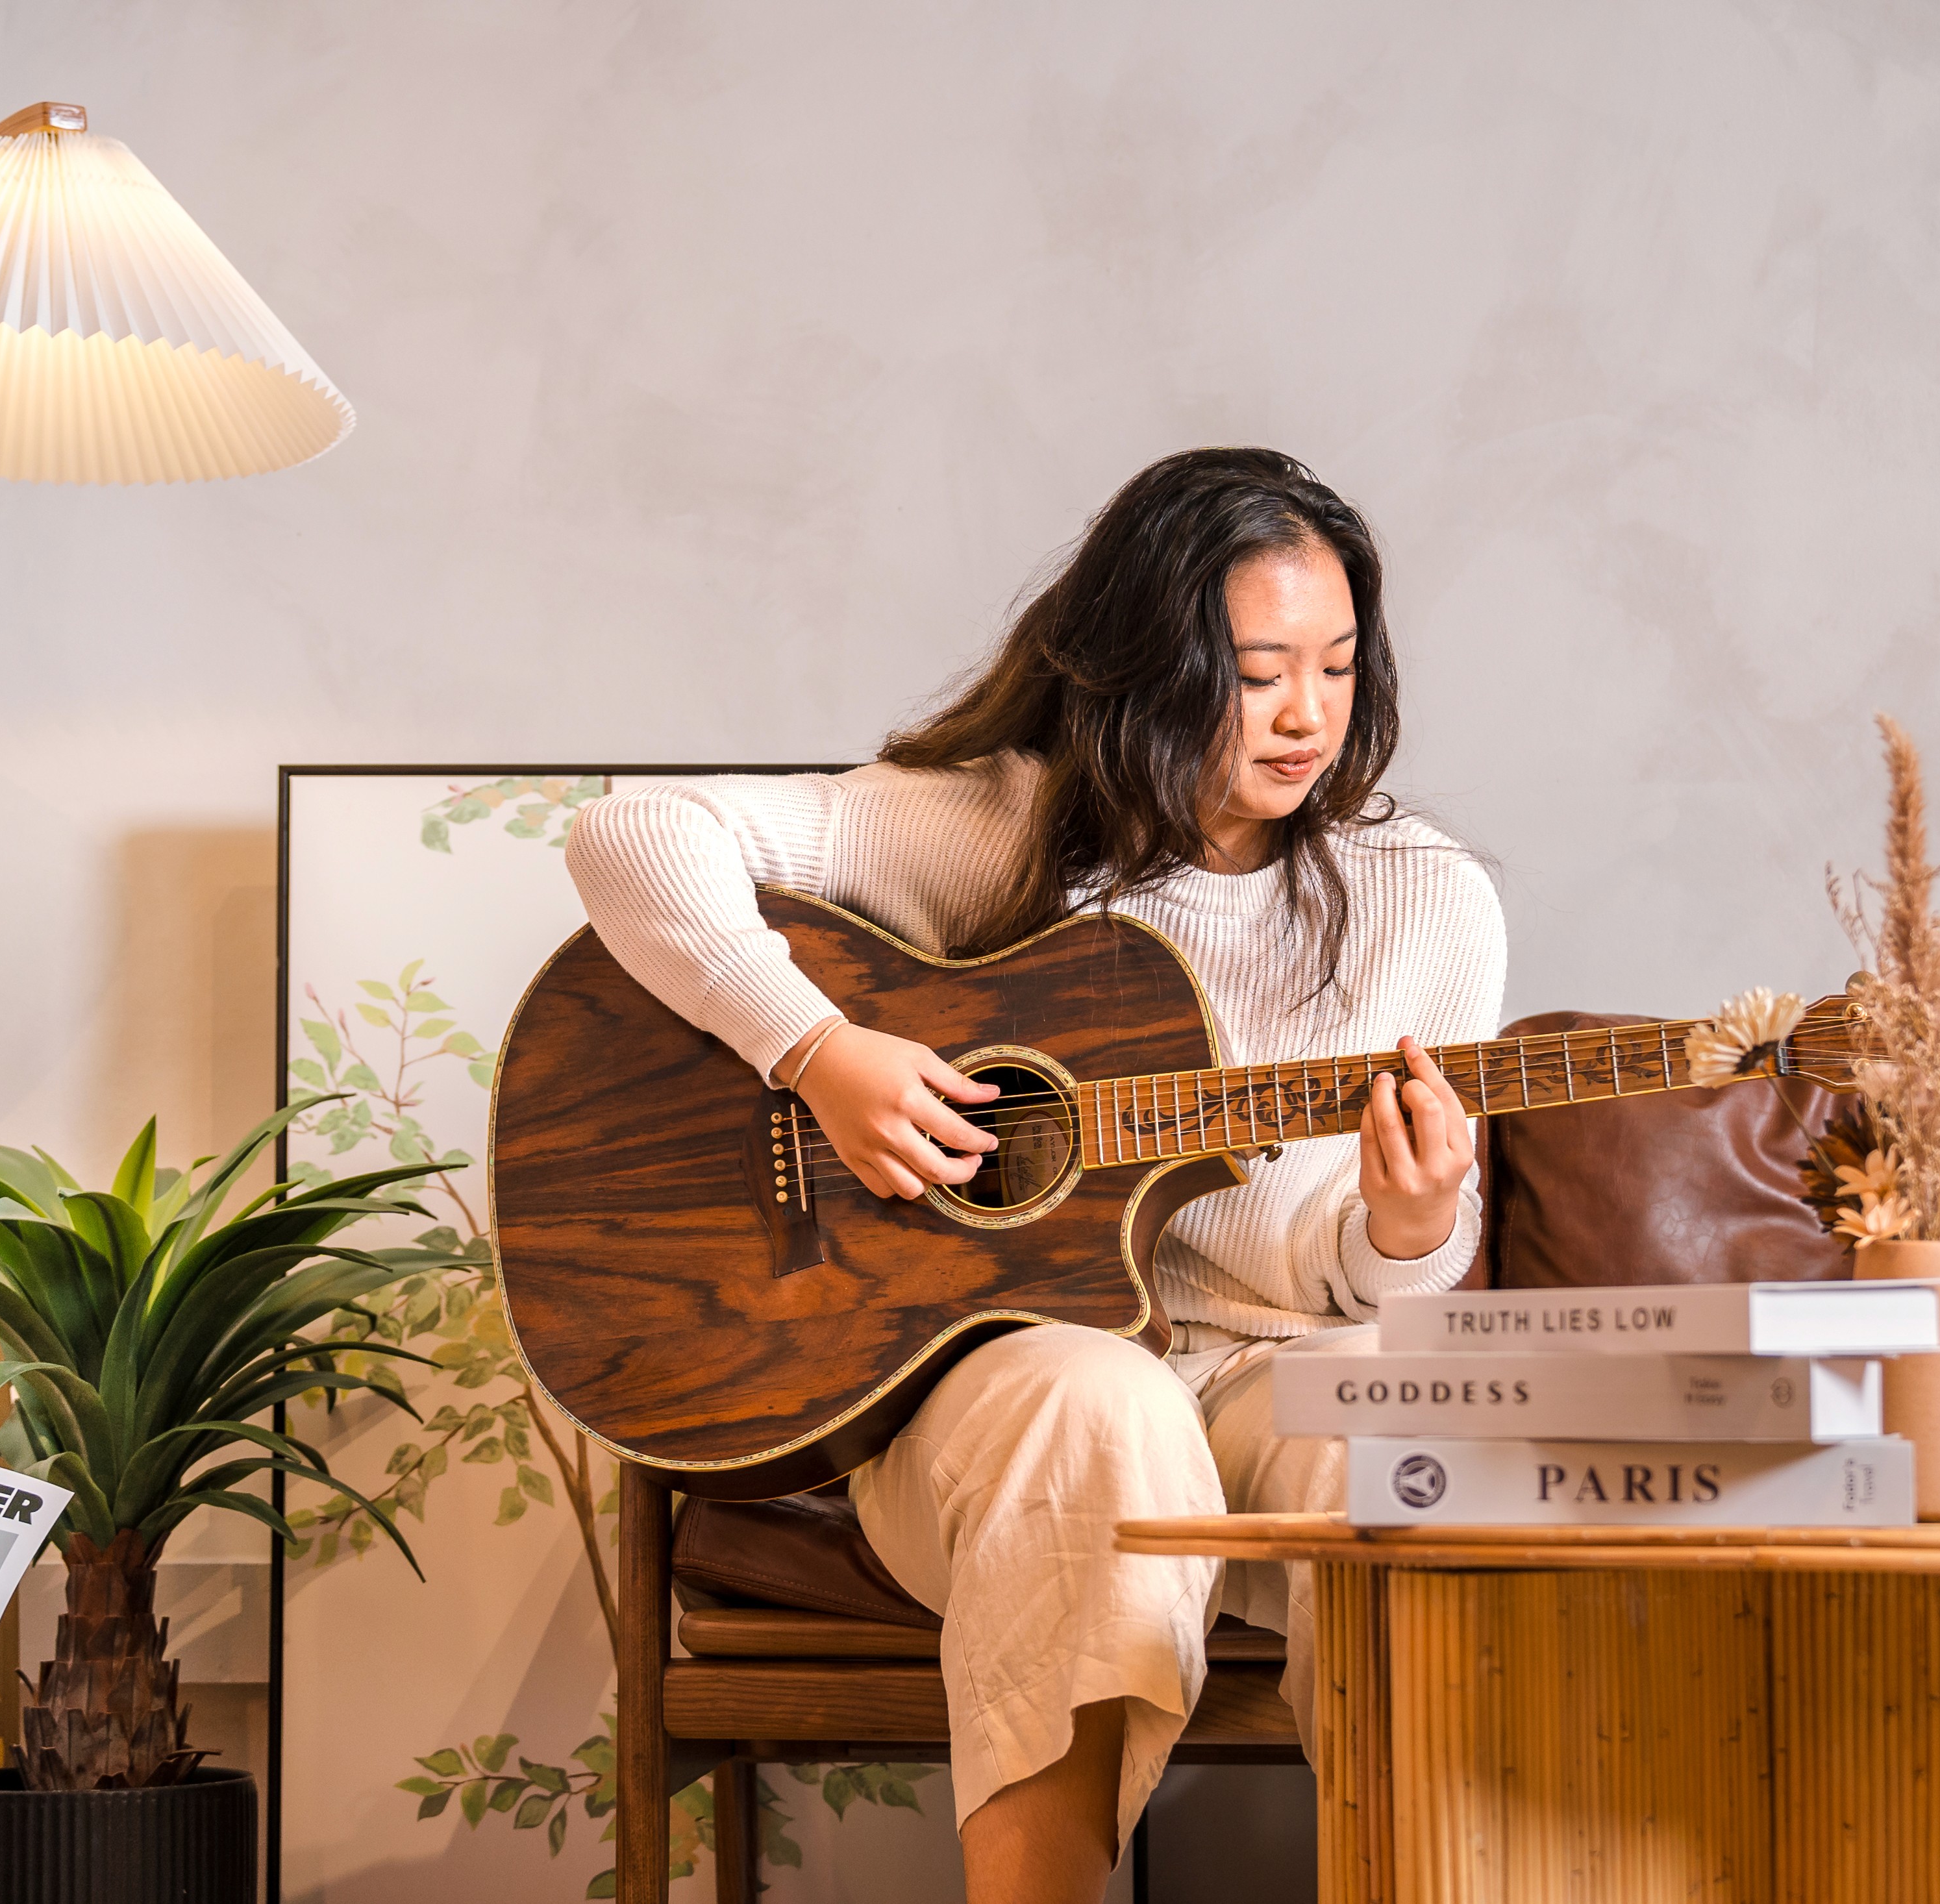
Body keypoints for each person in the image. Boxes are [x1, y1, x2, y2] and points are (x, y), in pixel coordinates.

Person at [565, 446, 1506, 1903]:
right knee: (1098, 1400)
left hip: (1271, 1368)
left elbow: (1363, 1264)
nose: (1309, 715)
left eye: (1336, 665)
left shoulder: (1425, 897)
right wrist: (817, 1050)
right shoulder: (991, 819)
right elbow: (629, 833)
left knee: (1403, 1417)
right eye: (1258, 672)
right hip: (998, 1383)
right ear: (1151, 662)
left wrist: (1411, 1221)